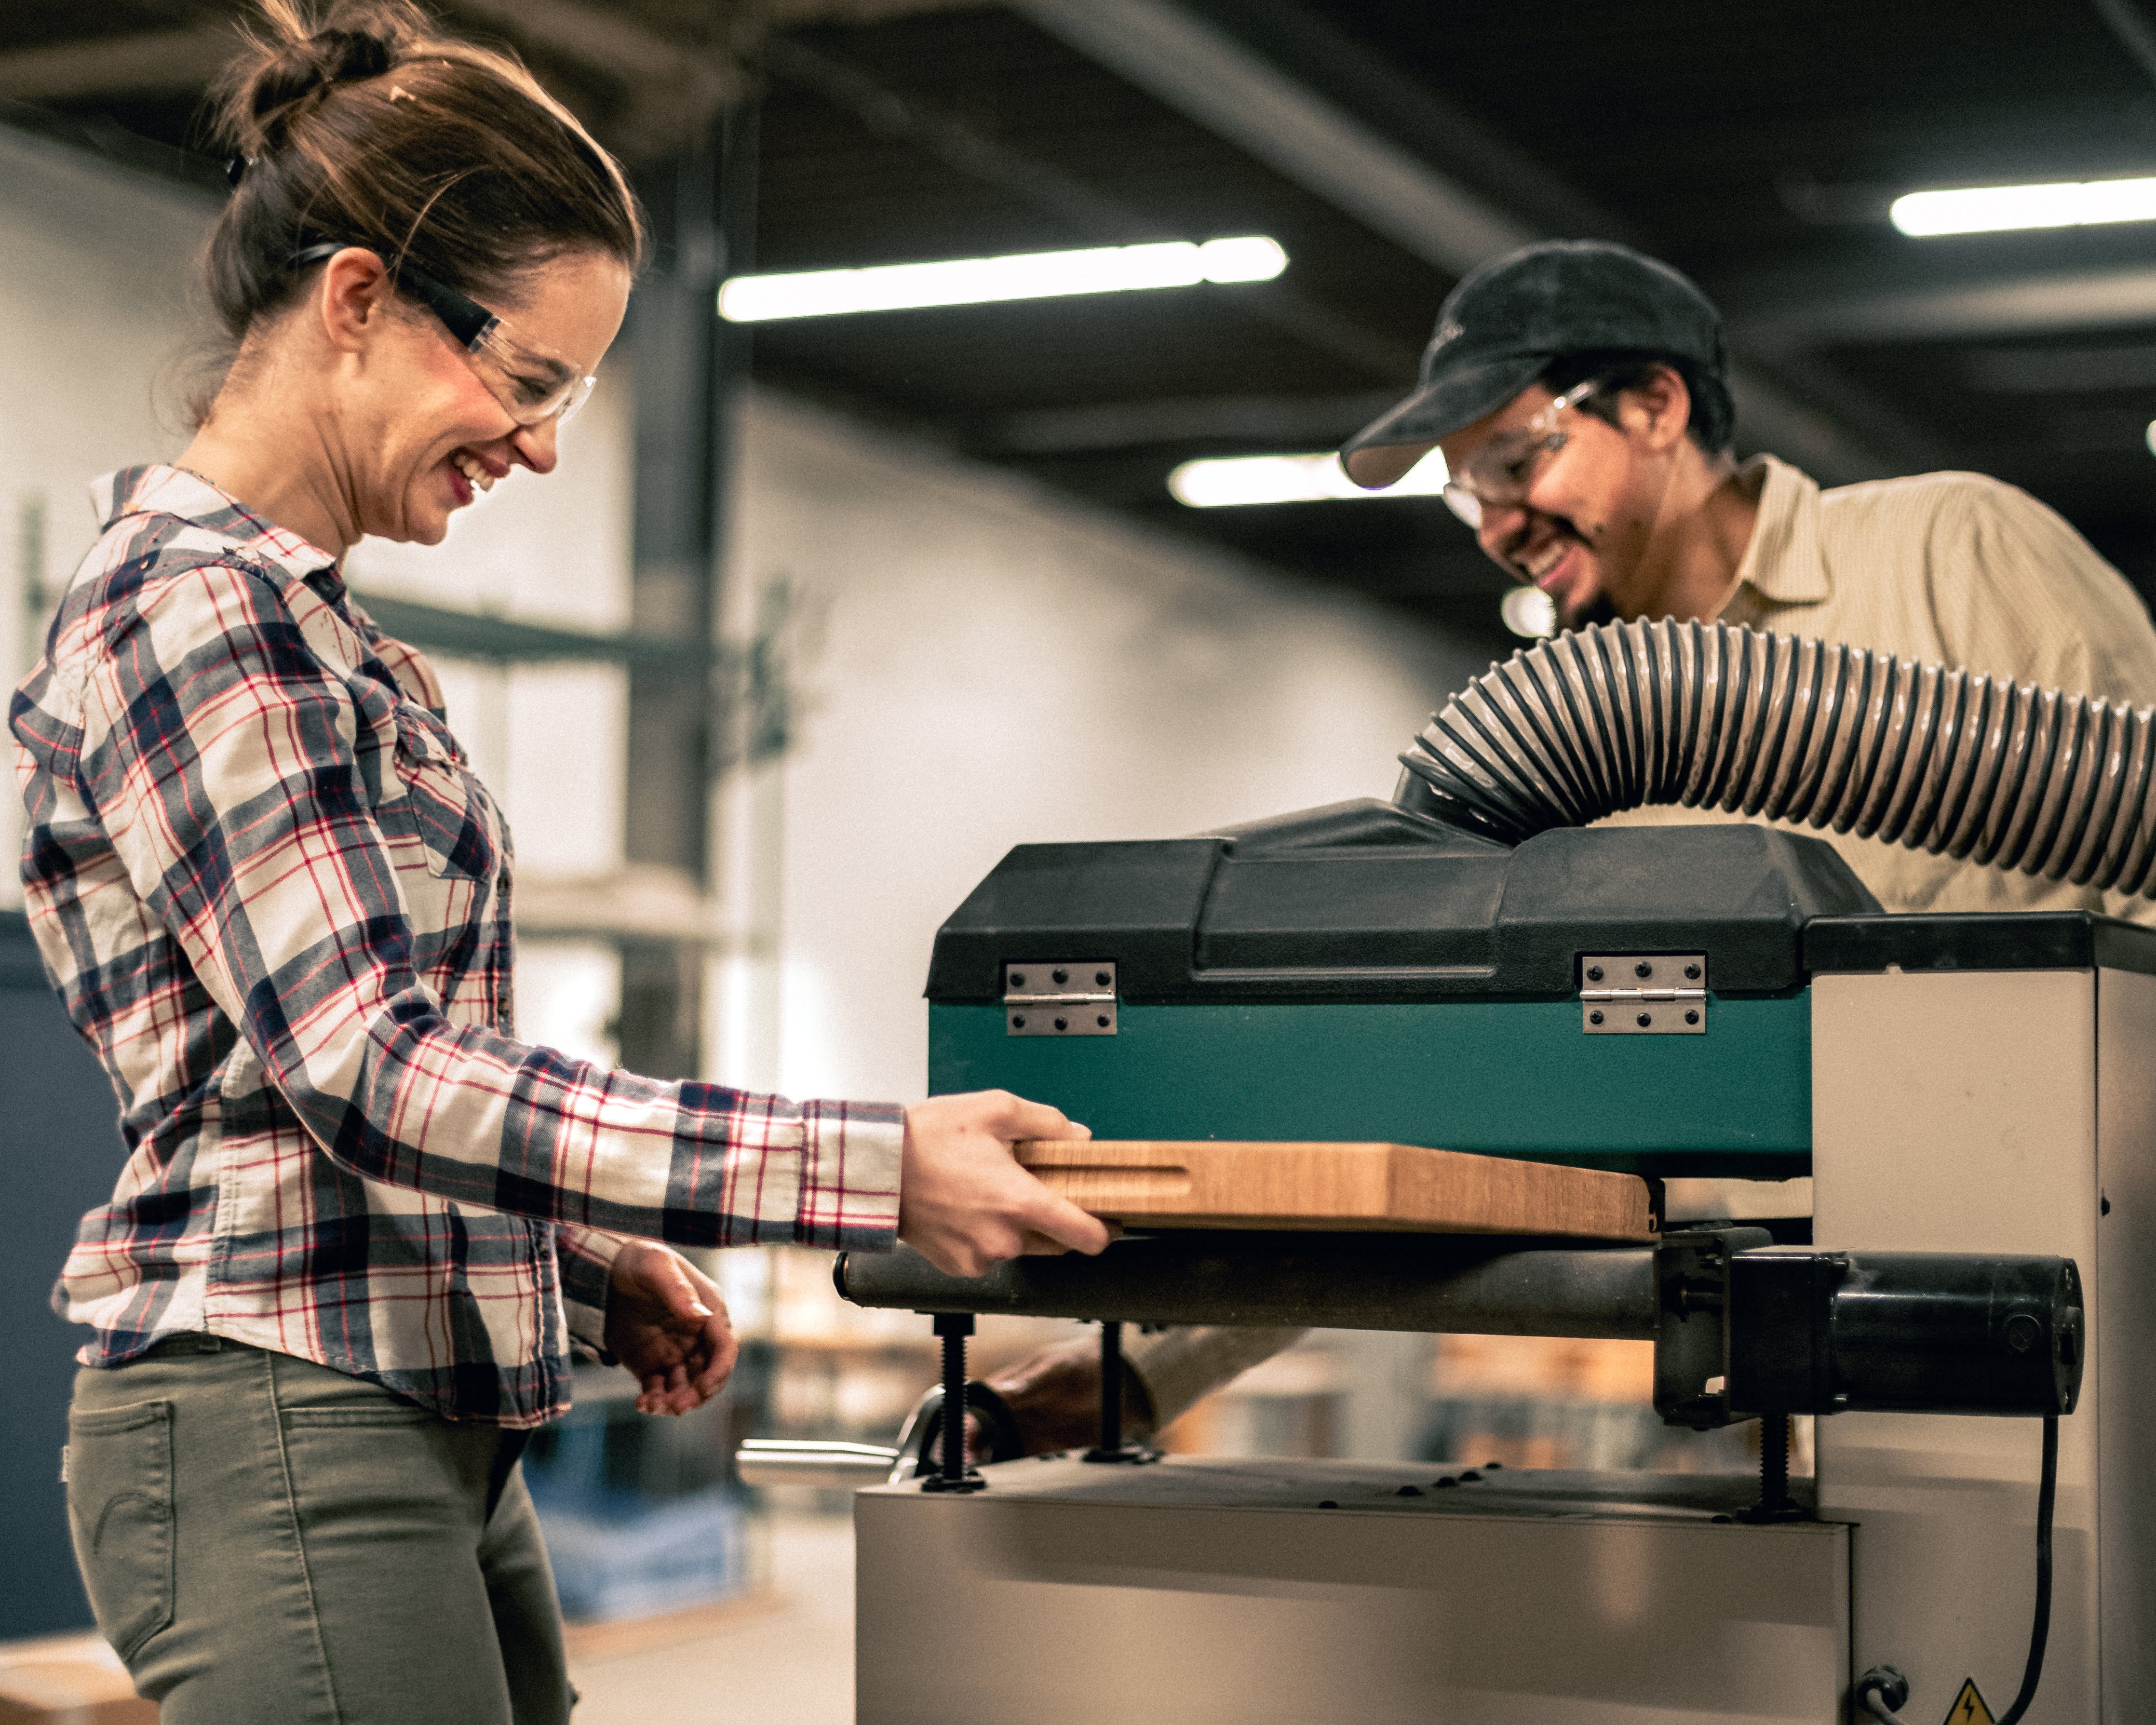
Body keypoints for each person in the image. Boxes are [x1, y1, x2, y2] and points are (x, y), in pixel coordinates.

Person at [9, 6, 1105, 1721]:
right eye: (525, 378)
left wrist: (578, 1256)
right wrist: (867, 1164)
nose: (540, 443)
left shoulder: (327, 633)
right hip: (279, 1417)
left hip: (404, 1408)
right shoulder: (196, 614)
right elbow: (369, 1065)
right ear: (358, 300)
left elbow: (305, 1085)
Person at [979, 237, 2156, 1455]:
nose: (1494, 523)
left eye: (1512, 458)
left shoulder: (1950, 552)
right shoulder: (1565, 762)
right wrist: (1139, 1374)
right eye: (1464, 491)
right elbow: (1441, 1122)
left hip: (2097, 1300)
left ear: (1656, 404)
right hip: (1809, 1363)